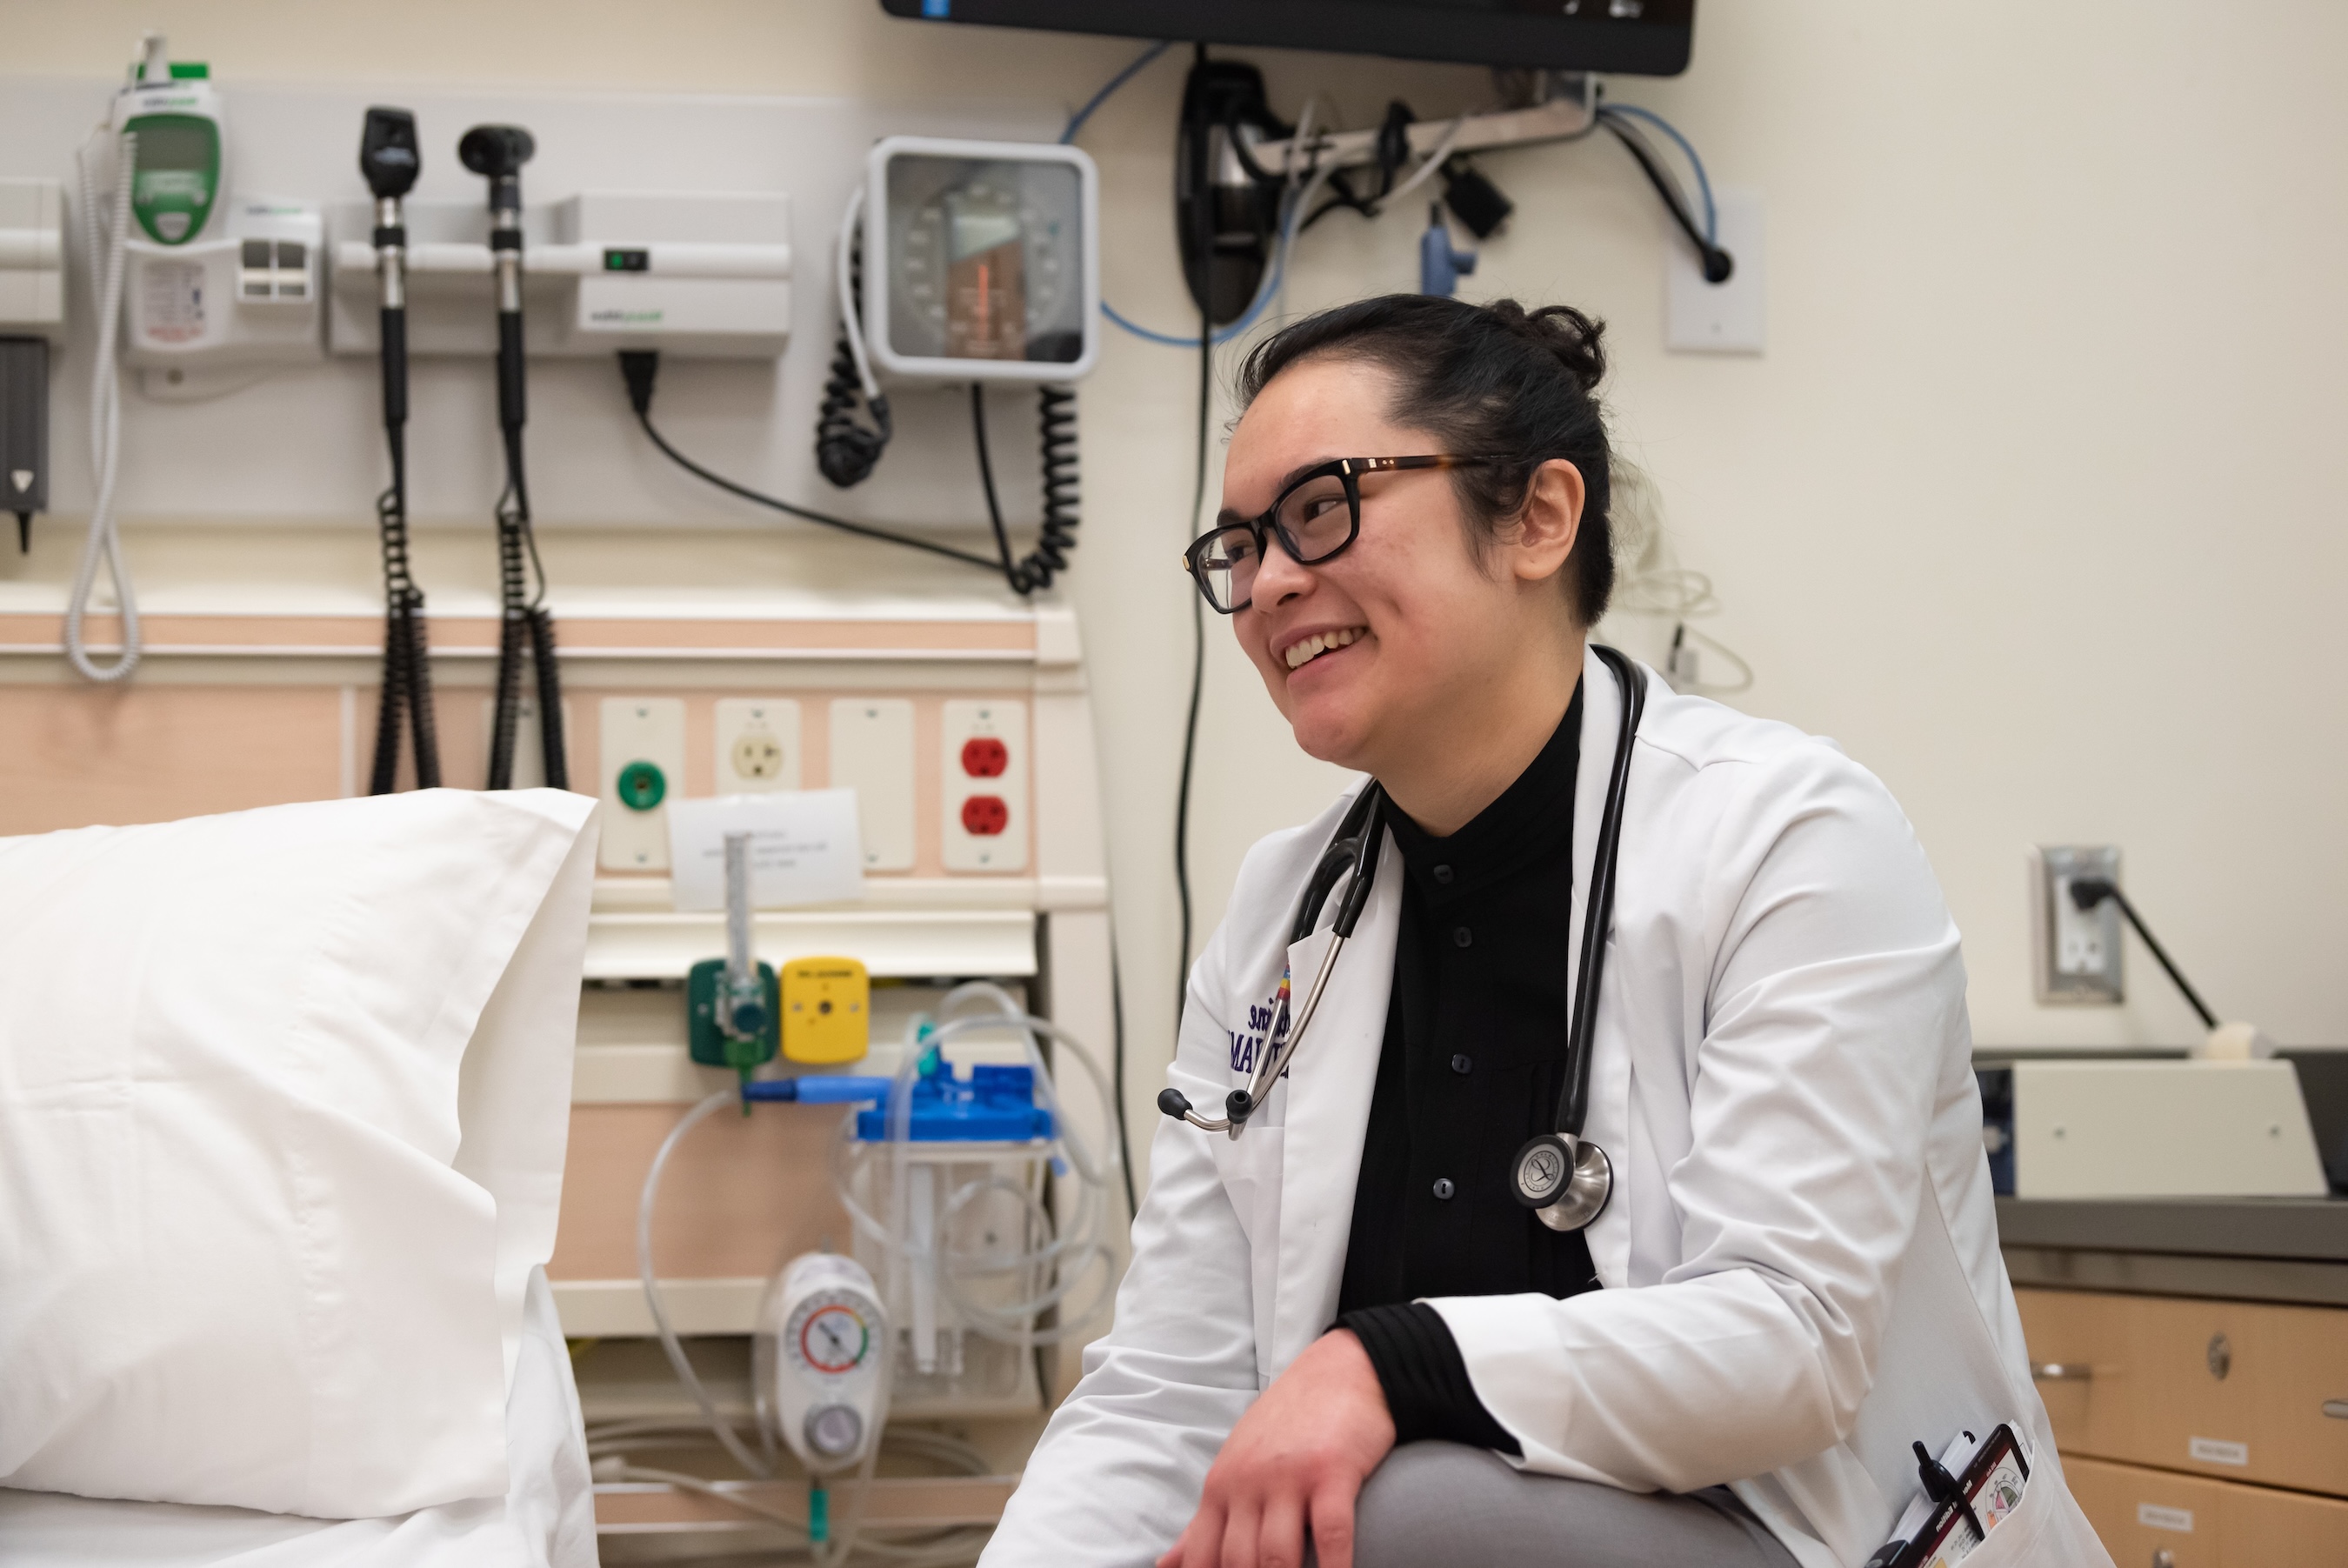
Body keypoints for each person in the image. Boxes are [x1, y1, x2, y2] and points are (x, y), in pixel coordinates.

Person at [980, 296, 2110, 1568]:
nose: (1270, 583)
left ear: (1538, 518)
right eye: (1239, 545)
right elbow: (1170, 1392)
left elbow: (1795, 1342)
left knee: (1406, 1511)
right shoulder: (1283, 913)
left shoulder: (1792, 838)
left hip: (1810, 1541)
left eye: (1321, 509)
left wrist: (1387, 1364)